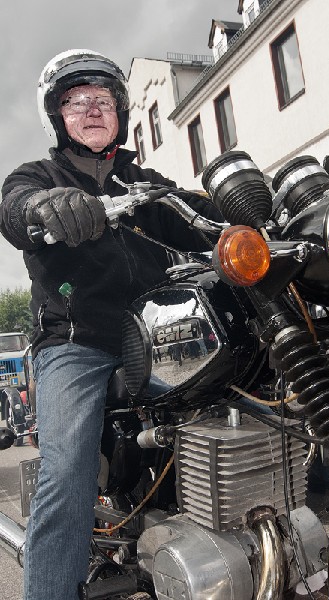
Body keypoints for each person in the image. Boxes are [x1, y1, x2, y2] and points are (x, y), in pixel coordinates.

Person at [0, 49, 222, 600]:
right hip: (78, 342)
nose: (93, 109)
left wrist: (253, 206)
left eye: (103, 99)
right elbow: (14, 208)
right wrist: (43, 206)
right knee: (68, 468)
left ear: (120, 111)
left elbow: (204, 222)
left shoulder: (145, 184)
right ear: (57, 117)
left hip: (161, 334)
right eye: (77, 101)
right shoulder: (39, 176)